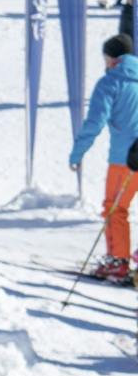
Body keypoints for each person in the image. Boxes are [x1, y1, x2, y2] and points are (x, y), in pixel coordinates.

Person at [69, 34, 138, 282]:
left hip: (126, 160)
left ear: (111, 58)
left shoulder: (110, 82)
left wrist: (77, 153)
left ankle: (117, 261)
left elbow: (94, 123)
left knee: (115, 208)